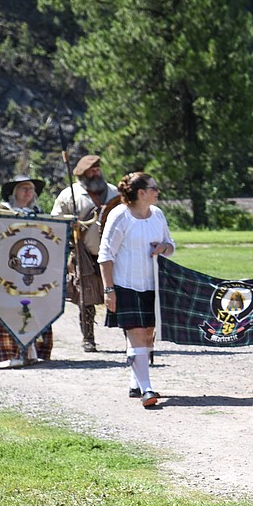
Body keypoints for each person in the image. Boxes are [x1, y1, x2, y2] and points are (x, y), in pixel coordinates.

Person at [98, 172, 175, 407]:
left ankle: (135, 382)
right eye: (153, 187)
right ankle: (147, 389)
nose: (157, 191)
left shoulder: (158, 215)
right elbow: (105, 255)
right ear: (141, 193)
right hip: (125, 285)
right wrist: (109, 289)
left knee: (149, 332)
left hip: (153, 285)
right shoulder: (120, 216)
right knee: (137, 334)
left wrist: (163, 247)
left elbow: (171, 245)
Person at [53, 154, 116, 352]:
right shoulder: (69, 195)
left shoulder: (114, 192)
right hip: (84, 253)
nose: (97, 172)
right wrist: (68, 223)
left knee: (120, 294)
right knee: (85, 298)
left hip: (115, 254)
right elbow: (55, 223)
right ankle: (88, 338)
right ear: (83, 174)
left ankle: (129, 334)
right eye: (92, 170)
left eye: (98, 169)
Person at [0, 176, 53, 368]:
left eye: (31, 189)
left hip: (33, 271)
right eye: (24, 188)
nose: (28, 193)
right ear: (14, 191)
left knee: (32, 308)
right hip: (7, 270)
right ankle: (12, 354)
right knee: (9, 310)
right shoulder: (1, 211)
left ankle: (31, 351)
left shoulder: (37, 212)